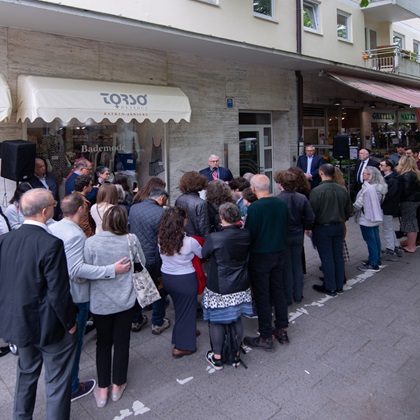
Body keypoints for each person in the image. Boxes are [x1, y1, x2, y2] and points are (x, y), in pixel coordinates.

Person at [0, 189, 77, 419]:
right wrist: (70, 322)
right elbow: (59, 292)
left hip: (19, 322)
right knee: (57, 382)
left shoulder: (5, 240)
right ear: (45, 211)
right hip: (50, 326)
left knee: (26, 374)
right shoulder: (51, 243)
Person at [49, 194, 130, 402]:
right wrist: (111, 269)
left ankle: (101, 388)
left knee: (101, 343)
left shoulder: (55, 228)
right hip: (80, 295)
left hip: (72, 296)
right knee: (113, 341)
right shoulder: (78, 237)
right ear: (79, 210)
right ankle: (107, 384)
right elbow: (77, 270)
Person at [84, 206, 145, 408]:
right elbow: (141, 262)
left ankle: (102, 388)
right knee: (122, 341)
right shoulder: (131, 239)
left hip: (100, 302)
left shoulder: (91, 242)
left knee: (103, 343)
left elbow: (86, 270)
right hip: (126, 299)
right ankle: (118, 383)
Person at [201, 203, 253, 370]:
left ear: (222, 218)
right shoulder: (246, 234)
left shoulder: (215, 237)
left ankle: (217, 357)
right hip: (240, 283)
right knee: (236, 318)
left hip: (219, 286)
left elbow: (204, 254)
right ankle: (236, 354)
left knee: (217, 321)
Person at [243, 174, 290, 352]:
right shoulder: (281, 203)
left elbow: (250, 233)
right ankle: (282, 329)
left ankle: (265, 335)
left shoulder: (255, 208)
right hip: (279, 252)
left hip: (261, 256)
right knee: (278, 291)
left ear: (253, 189)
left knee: (263, 296)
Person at [158, 206, 203, 358]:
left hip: (168, 277)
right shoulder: (189, 242)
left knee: (180, 308)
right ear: (182, 222)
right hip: (185, 278)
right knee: (187, 309)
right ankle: (182, 346)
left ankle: (187, 331)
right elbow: (202, 254)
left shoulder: (160, 238)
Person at [129, 188, 170, 335]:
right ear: (161, 198)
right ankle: (157, 322)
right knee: (158, 288)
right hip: (153, 256)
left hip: (136, 255)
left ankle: (136, 320)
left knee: (138, 287)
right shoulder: (162, 213)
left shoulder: (134, 208)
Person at [309, 164, 353, 296]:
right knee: (337, 256)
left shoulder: (316, 191)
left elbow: (312, 213)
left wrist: (310, 226)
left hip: (323, 227)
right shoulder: (342, 190)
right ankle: (339, 284)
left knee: (327, 257)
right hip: (338, 226)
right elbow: (349, 211)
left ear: (321, 173)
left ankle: (330, 286)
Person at [275, 170, 314, 305]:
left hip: (283, 235)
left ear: (281, 184)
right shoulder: (301, 198)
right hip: (298, 234)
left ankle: (287, 297)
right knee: (297, 265)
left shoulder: (277, 199)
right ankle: (298, 295)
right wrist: (307, 227)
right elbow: (310, 217)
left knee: (286, 266)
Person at [354, 166, 387, 272]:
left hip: (367, 217)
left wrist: (349, 209)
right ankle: (376, 259)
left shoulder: (368, 189)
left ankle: (373, 263)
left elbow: (359, 204)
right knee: (375, 239)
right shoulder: (381, 187)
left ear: (370, 175)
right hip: (376, 215)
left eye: (364, 173)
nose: (362, 175)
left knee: (370, 240)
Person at [379, 159, 403, 260]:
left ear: (388, 167)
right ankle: (395, 246)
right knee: (389, 227)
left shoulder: (392, 180)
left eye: (382, 165)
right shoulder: (392, 178)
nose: (380, 166)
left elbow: (389, 195)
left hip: (388, 207)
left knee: (387, 227)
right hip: (390, 207)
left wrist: (381, 201)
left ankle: (391, 249)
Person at [396, 155, 420, 253]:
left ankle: (411, 246)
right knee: (412, 222)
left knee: (410, 222)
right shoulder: (416, 173)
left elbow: (406, 191)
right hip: (415, 201)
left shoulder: (407, 175)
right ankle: (411, 244)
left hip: (408, 201)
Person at [175, 171, 211, 237]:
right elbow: (204, 228)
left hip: (182, 238)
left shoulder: (179, 199)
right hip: (197, 241)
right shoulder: (201, 203)